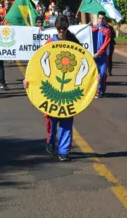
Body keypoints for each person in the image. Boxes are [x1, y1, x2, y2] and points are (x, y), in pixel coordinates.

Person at [23, 16, 81, 162]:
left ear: (67, 28)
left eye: (64, 29)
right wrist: (28, 79)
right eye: (59, 29)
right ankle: (50, 139)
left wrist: (93, 78)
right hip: (51, 88)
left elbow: (84, 63)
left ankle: (64, 151)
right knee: (52, 120)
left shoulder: (74, 43)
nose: (62, 32)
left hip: (69, 88)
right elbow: (39, 64)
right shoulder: (49, 43)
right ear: (56, 28)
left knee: (67, 120)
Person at [90, 11, 112, 98]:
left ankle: (102, 90)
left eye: (103, 18)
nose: (101, 20)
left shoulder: (107, 30)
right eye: (99, 18)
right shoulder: (93, 28)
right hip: (93, 55)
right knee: (96, 74)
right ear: (97, 18)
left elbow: (106, 43)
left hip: (103, 56)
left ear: (105, 19)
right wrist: (88, 26)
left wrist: (99, 53)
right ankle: (97, 91)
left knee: (102, 74)